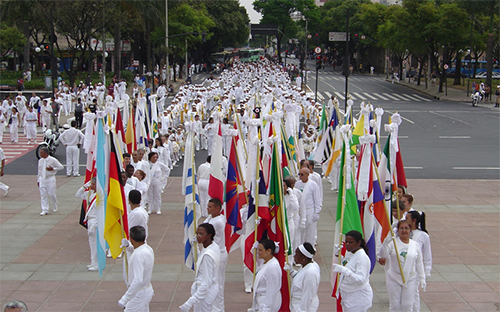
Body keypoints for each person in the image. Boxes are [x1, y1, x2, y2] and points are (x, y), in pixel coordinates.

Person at [379, 220, 426, 312]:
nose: (404, 231)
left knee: (408, 306)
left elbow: (419, 263)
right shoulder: (393, 244)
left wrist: (422, 278)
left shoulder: (415, 245)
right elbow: (383, 255)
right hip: (394, 278)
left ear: (410, 230)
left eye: (406, 228)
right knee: (395, 306)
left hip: (410, 279)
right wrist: (386, 242)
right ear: (398, 230)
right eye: (401, 228)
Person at [180, 223, 221, 312]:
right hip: (209, 289)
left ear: (209, 235)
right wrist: (195, 248)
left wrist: (190, 302)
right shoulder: (213, 246)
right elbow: (200, 260)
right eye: (197, 233)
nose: (198, 236)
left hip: (205, 293)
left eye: (201, 234)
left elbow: (206, 284)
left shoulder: (208, 256)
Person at [332, 230, 373, 312]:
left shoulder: (362, 258)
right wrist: (338, 256)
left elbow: (361, 279)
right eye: (346, 242)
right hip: (348, 295)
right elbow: (347, 264)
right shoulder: (350, 252)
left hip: (357, 297)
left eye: (351, 242)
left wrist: (345, 271)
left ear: (358, 243)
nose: (347, 244)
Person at [119, 226, 155, 312]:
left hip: (139, 294)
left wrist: (125, 298)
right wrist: (128, 246)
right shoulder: (148, 249)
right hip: (146, 290)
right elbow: (137, 251)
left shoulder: (138, 256)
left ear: (131, 238)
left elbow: (138, 280)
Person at [203, 198, 227, 312]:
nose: (207, 208)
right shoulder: (213, 217)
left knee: (218, 282)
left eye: (210, 207)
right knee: (212, 280)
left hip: (218, 254)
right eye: (207, 206)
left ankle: (219, 308)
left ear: (217, 208)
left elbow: (204, 230)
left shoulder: (217, 222)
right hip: (213, 252)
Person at [406, 211, 432, 312]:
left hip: (416, 269)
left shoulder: (423, 236)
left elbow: (427, 255)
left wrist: (427, 271)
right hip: (403, 267)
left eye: (407, 218)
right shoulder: (402, 232)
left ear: (414, 221)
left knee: (414, 293)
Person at [250, 239, 282, 312]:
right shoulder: (265, 262)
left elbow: (272, 290)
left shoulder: (273, 267)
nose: (258, 252)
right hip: (261, 301)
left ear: (268, 251)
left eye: (260, 250)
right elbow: (256, 259)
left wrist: (266, 308)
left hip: (266, 303)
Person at [75, 178, 98, 271]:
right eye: (91, 184)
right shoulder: (90, 194)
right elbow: (77, 194)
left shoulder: (100, 196)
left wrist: (95, 225)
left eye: (93, 184)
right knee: (91, 243)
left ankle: (96, 264)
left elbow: (101, 213)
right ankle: (93, 262)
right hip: (89, 220)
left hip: (95, 221)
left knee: (95, 244)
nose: (91, 186)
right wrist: (84, 186)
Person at [290, 242, 320, 312]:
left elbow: (307, 296)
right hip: (297, 304)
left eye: (296, 254)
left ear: (303, 257)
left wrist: (302, 310)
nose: (294, 256)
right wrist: (291, 271)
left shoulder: (310, 273)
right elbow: (299, 280)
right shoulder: (306, 265)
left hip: (302, 306)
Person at [294, 167, 321, 245]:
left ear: (307, 175)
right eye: (299, 174)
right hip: (300, 211)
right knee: (300, 231)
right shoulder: (297, 184)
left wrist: (317, 212)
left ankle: (310, 249)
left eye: (302, 174)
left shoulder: (313, 185)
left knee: (310, 232)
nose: (300, 176)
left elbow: (317, 199)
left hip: (310, 210)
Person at [37, 147, 63, 215]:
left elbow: (61, 167)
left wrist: (53, 169)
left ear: (45, 153)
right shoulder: (40, 160)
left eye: (41, 153)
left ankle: (54, 206)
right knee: (43, 195)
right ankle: (44, 209)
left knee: (51, 194)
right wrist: (38, 180)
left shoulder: (52, 160)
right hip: (42, 178)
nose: (40, 154)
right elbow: (39, 171)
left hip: (50, 178)